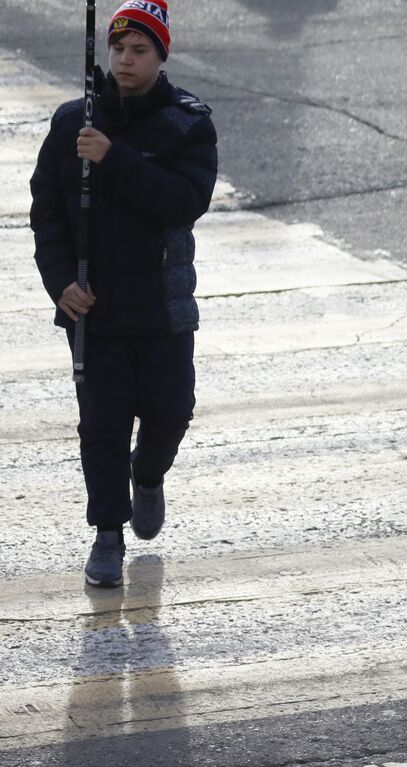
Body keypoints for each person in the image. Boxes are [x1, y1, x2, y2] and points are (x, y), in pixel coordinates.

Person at [30, 0, 217, 588]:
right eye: (118, 50)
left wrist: (114, 159)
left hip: (163, 308)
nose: (126, 60)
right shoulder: (72, 123)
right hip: (97, 311)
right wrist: (60, 283)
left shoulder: (189, 122)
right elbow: (47, 215)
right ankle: (107, 532)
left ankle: (150, 475)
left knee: (169, 413)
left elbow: (184, 203)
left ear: (162, 56)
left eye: (140, 51)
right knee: (102, 425)